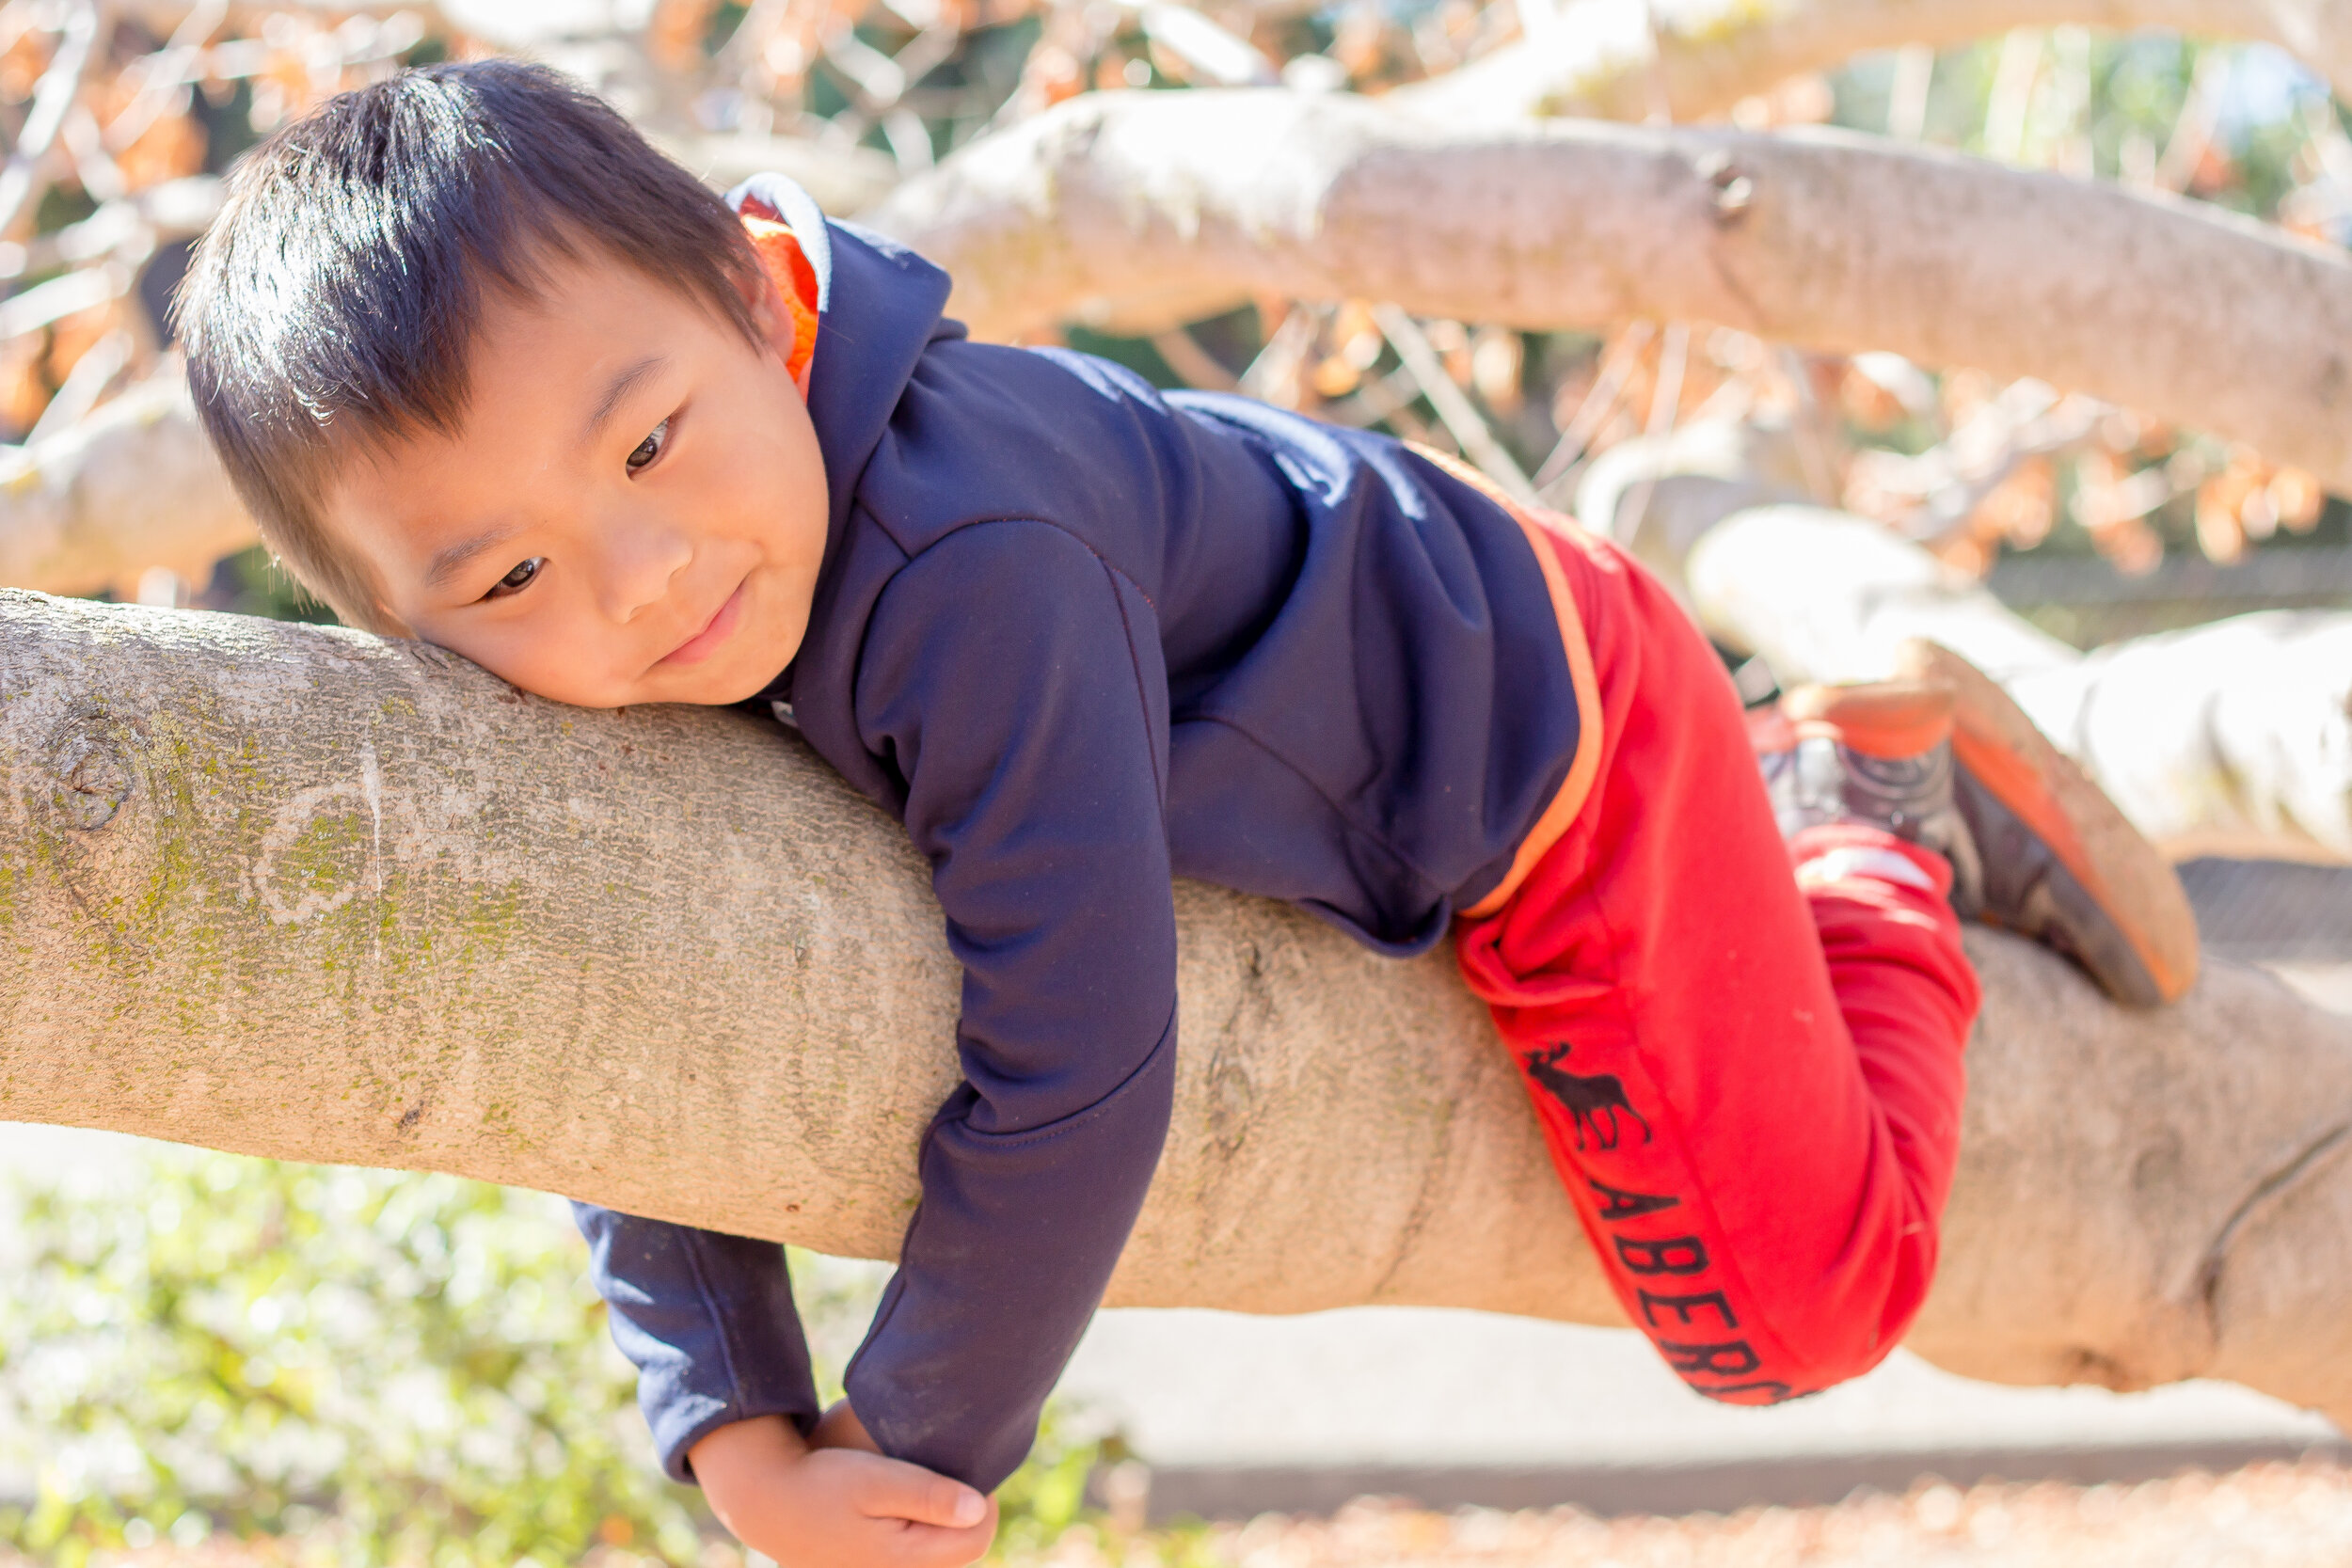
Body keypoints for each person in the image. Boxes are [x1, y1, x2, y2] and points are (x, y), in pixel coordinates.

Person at [173, 58, 2200, 1568]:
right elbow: (631, 1003)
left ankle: (1868, 818)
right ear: (398, 628)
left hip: (1539, 735)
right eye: (506, 580)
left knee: (1796, 1315)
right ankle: (1802, 798)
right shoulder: (667, 621)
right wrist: (724, 1418)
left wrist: (902, 1447)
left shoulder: (970, 564)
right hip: (1394, 615)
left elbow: (1074, 1068)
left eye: (648, 439)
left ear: (747, 290)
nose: (634, 581)